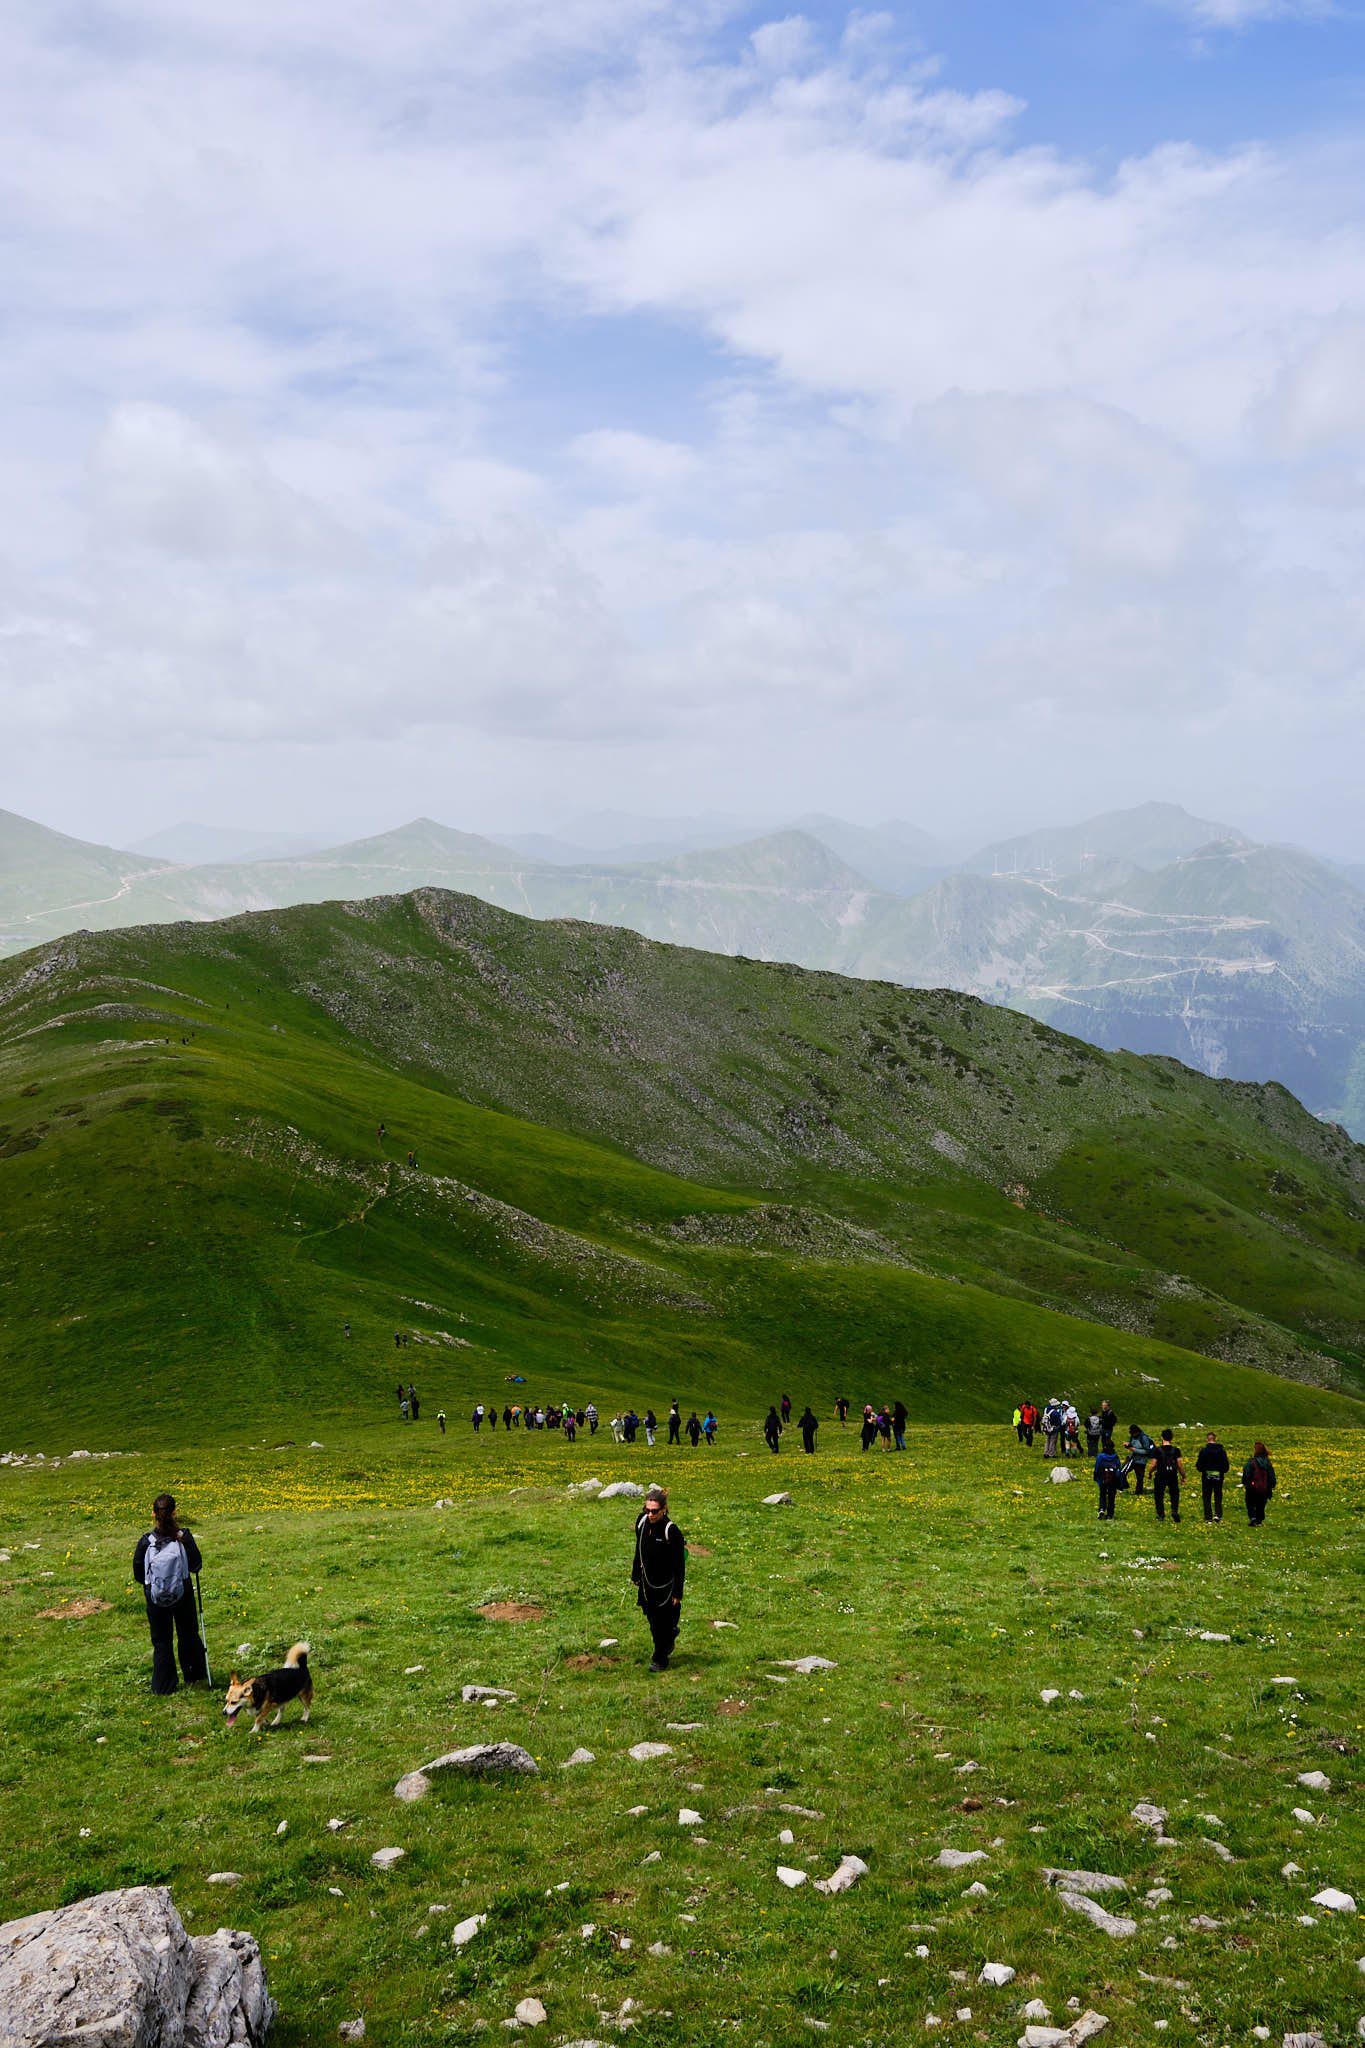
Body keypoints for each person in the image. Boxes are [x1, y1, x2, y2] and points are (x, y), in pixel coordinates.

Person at [133, 1494, 207, 1694]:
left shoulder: (145, 1542)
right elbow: (196, 1565)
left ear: (153, 1514)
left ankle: (163, 1686)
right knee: (188, 1633)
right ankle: (195, 1675)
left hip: (155, 1597)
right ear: (175, 1512)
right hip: (182, 1593)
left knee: (161, 1641)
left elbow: (139, 1574)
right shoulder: (184, 1537)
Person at [631, 1484, 686, 1673]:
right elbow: (639, 1548)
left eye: (654, 1511)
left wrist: (678, 1592)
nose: (650, 1515)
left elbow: (680, 1565)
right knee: (653, 1620)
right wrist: (635, 1573)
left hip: (667, 1586)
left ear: (663, 1510)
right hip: (647, 1584)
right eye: (647, 1510)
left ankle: (660, 1659)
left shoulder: (672, 1532)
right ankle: (668, 1638)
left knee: (663, 1621)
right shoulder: (641, 1522)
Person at [1151, 1429, 1185, 1524]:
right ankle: (1174, 1511)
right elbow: (1179, 1465)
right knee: (1174, 1494)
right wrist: (1183, 1476)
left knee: (1159, 1495)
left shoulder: (1157, 1450)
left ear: (1162, 1437)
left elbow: (1154, 1464)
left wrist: (1149, 1473)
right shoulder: (1176, 1450)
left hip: (1160, 1475)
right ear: (1171, 1438)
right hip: (1172, 1474)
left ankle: (1160, 1515)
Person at [1196, 1431, 1229, 1522]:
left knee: (1207, 1496)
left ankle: (1208, 1517)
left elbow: (1199, 1466)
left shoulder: (1203, 1451)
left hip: (1206, 1476)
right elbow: (1226, 1466)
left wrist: (1203, 1469)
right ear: (1215, 1439)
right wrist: (1221, 1471)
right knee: (1218, 1495)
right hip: (1219, 1476)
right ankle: (1218, 1514)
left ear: (1207, 1439)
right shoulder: (1222, 1451)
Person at [1241, 1441, 1277, 1525]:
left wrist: (1245, 1482)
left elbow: (1247, 1473)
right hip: (1265, 1487)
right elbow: (1271, 1474)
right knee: (1261, 1504)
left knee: (1250, 1502)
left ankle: (1253, 1517)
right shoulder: (1267, 1462)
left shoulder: (1252, 1462)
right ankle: (1259, 1519)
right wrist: (1272, 1484)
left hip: (1252, 1487)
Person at [1094, 1440, 1122, 1520]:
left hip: (1103, 1479)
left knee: (1102, 1494)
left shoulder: (1100, 1456)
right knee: (1111, 1497)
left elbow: (1097, 1468)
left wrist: (1097, 1478)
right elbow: (1119, 1469)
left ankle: (1102, 1509)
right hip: (1113, 1480)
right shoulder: (1115, 1457)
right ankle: (1110, 1515)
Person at [1123, 1425, 1156, 1495]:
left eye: (1133, 1433)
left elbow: (1147, 1451)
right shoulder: (1133, 1436)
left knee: (1140, 1478)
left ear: (1137, 1432)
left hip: (1141, 1461)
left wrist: (1134, 1450)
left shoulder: (1144, 1438)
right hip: (1132, 1458)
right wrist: (1128, 1445)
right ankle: (1124, 1486)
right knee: (1122, 1472)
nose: (1132, 1435)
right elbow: (1132, 1445)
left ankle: (1138, 1493)